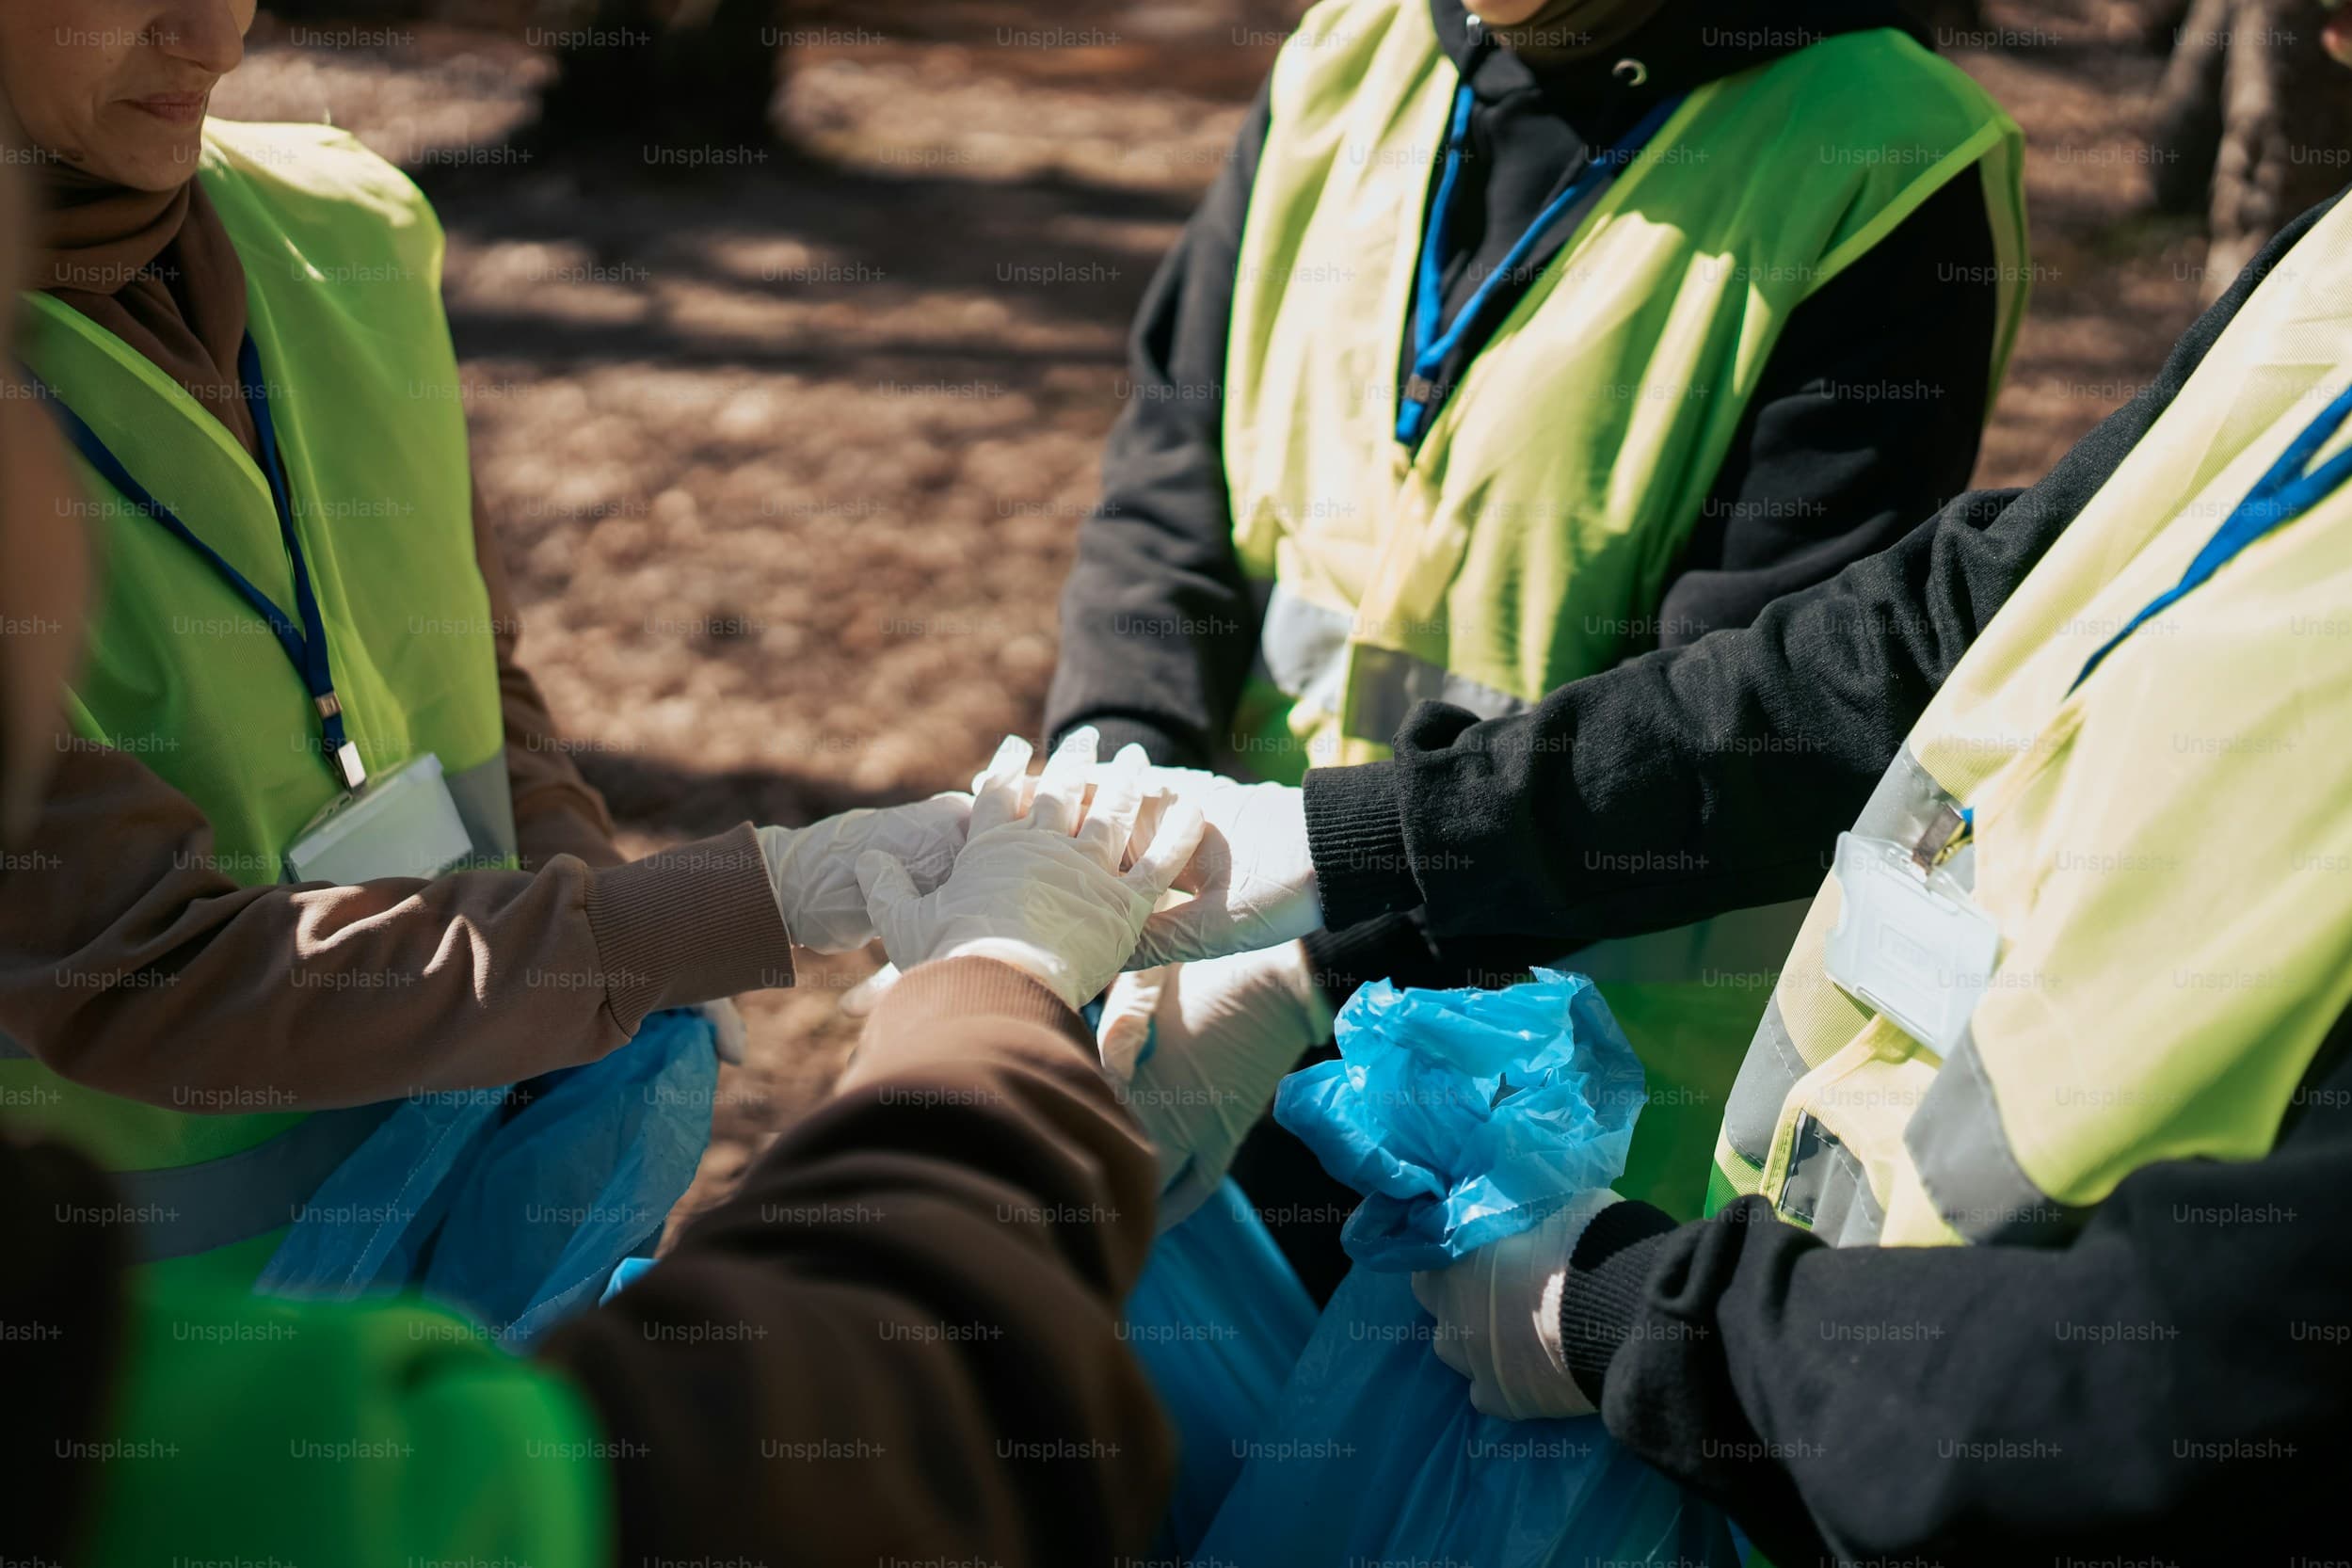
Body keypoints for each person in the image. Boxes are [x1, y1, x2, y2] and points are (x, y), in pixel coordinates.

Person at [1116, 168, 2352, 1558]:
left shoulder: (1877, 171)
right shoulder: (2335, 263)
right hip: (1783, 1373)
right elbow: (1950, 617)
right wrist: (1358, 847)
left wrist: (1635, 1319)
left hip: (1874, 1419)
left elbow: (2190, 1382)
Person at [3, 227, 1207, 1552]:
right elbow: (874, 1412)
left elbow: (473, 671)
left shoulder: (342, 227)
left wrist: (618, 910)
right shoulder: (185, 1461)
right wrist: (993, 983)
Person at [0, 0, 969, 1293]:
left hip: (458, 1255)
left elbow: (468, 669)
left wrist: (577, 900)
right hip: (136, 1360)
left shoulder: (345, 226)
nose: (217, 37)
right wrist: (705, 914)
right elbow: (143, 968)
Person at [1045, 0, 2033, 1251]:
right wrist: (1104, 789)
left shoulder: (1887, 154)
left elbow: (1751, 708)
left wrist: (1315, 963)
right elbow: (1174, 469)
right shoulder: (1353, 49)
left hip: (1551, 1124)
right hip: (1203, 980)